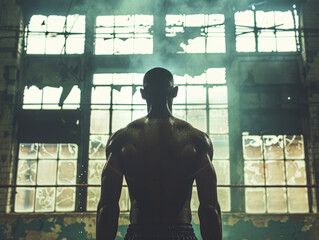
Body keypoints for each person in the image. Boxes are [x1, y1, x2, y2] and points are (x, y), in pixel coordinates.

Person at [96, 67, 222, 240]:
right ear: (175, 92)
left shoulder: (122, 139)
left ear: (142, 93)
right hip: (181, 233)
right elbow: (210, 209)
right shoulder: (196, 139)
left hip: (139, 233)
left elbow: (107, 208)